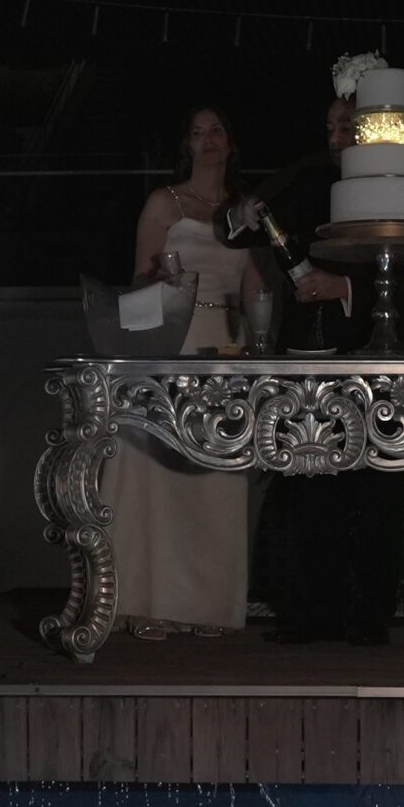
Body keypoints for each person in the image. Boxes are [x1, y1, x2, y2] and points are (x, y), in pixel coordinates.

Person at [225, 94, 404, 644]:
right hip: (307, 358)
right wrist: (242, 213)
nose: (334, 138)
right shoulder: (309, 180)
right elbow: (248, 223)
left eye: (345, 127)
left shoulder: (396, 187)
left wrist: (344, 288)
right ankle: (311, 614)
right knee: (308, 487)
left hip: (375, 359)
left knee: (376, 491)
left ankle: (369, 618)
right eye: (329, 127)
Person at [102, 105, 259, 639]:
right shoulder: (163, 202)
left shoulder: (243, 210)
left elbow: (254, 286)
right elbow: (139, 280)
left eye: (216, 130)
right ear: (186, 145)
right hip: (176, 338)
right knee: (162, 476)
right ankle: (149, 601)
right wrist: (165, 285)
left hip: (227, 346)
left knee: (217, 478)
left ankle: (209, 606)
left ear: (230, 141)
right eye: (196, 132)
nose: (207, 139)